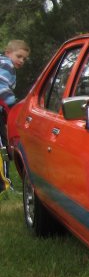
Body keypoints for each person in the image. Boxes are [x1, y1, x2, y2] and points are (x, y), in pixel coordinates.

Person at [1, 39, 30, 194]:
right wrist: (15, 106)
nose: (22, 61)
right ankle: (4, 187)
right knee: (2, 149)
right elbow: (1, 86)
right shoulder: (6, 65)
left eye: (24, 59)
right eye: (19, 56)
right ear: (8, 53)